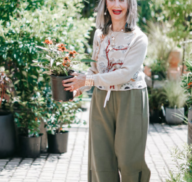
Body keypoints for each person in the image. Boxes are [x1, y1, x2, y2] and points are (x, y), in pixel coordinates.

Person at [62, 0, 151, 181]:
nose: (116, 5)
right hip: (101, 98)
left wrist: (87, 80)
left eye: (122, 0)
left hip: (131, 98)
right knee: (101, 159)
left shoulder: (138, 38)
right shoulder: (99, 35)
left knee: (129, 162)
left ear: (130, 4)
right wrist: (78, 89)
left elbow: (124, 74)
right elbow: (95, 70)